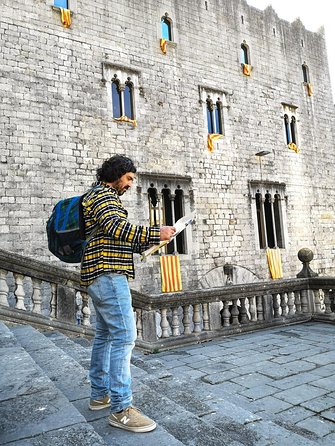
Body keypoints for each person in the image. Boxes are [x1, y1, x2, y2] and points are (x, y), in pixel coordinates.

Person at [80, 155, 175, 433]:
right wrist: (157, 232)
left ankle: (99, 395)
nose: (131, 184)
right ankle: (121, 409)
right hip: (108, 274)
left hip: (100, 272)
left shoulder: (98, 197)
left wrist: (153, 240)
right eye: (130, 178)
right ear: (117, 174)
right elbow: (118, 228)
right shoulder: (103, 196)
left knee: (105, 335)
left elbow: (114, 237)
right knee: (125, 336)